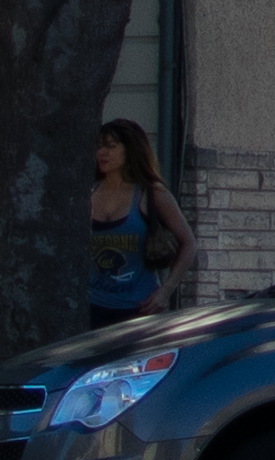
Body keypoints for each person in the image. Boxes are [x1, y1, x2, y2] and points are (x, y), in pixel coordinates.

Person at [83, 118, 194, 328]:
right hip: (91, 308)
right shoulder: (88, 192)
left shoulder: (151, 193)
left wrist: (165, 292)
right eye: (99, 147)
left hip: (139, 310)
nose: (102, 153)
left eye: (110, 147)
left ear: (130, 149)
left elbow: (188, 243)